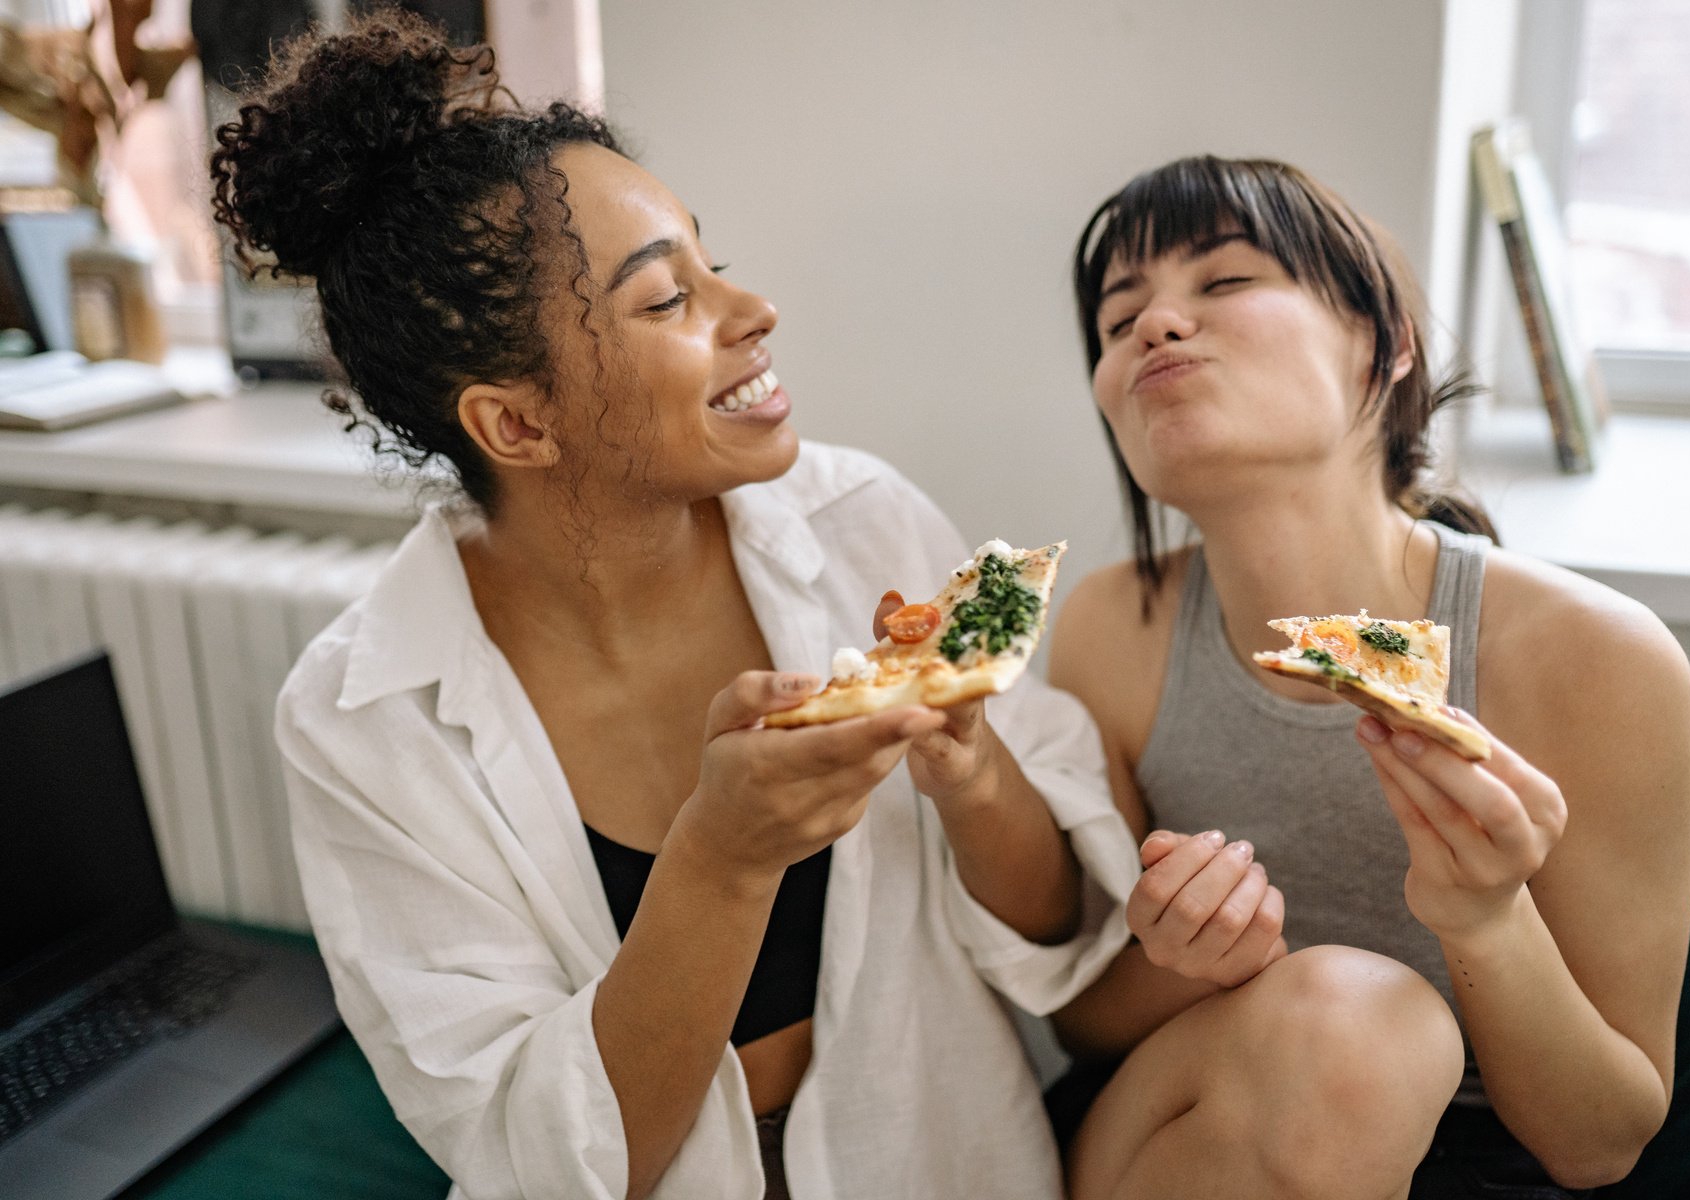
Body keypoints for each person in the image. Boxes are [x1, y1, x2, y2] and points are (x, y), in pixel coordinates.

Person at [214, 12, 1139, 1199]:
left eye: (713, 258)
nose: (751, 311)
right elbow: (542, 1156)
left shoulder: (865, 526)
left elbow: (1058, 929)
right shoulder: (360, 719)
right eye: (665, 302)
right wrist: (722, 860)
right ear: (518, 423)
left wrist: (967, 769)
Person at [1045, 155, 1690, 1200]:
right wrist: (1182, 962)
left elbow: (1601, 1142)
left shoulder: (1599, 659)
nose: (1155, 327)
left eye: (1223, 283)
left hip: (1480, 1158)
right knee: (1353, 1022)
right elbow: (1077, 1023)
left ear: (1385, 347)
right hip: (1183, 1125)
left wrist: (1485, 917)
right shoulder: (1106, 628)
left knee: (1367, 1028)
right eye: (1120, 317)